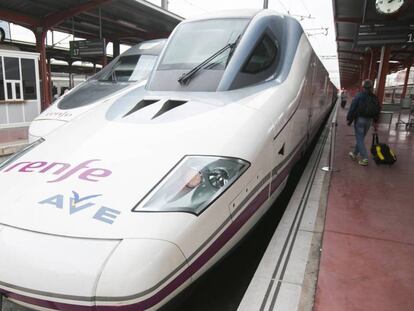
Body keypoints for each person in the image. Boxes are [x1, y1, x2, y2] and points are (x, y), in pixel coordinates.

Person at [346, 79, 380, 166]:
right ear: (371, 87)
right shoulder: (374, 97)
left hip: (360, 120)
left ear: (363, 87)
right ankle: (354, 154)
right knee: (360, 138)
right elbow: (377, 109)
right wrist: (375, 121)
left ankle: (365, 158)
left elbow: (353, 107)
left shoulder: (359, 96)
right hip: (369, 120)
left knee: (359, 138)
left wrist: (349, 118)